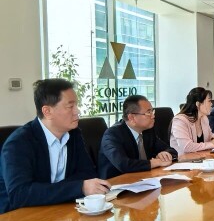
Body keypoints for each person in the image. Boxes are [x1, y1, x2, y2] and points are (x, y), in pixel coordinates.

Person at [0, 79, 111, 214]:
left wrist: (50, 190)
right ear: (47, 111)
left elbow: (88, 173)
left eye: (76, 105)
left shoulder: (73, 134)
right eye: (70, 106)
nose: (77, 111)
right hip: (19, 217)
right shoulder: (18, 143)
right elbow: (20, 194)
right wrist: (79, 187)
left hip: (59, 209)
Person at [98, 95, 178, 179]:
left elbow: (171, 150)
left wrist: (166, 154)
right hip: (116, 182)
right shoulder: (112, 134)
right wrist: (155, 162)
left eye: (152, 111)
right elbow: (123, 164)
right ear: (132, 118)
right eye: (148, 112)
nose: (153, 116)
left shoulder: (147, 131)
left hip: (143, 179)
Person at [169, 87, 214, 155]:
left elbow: (210, 137)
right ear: (198, 104)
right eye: (209, 101)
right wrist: (212, 144)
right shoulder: (180, 121)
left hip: (201, 157)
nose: (211, 104)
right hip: (183, 159)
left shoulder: (204, 118)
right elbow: (187, 147)